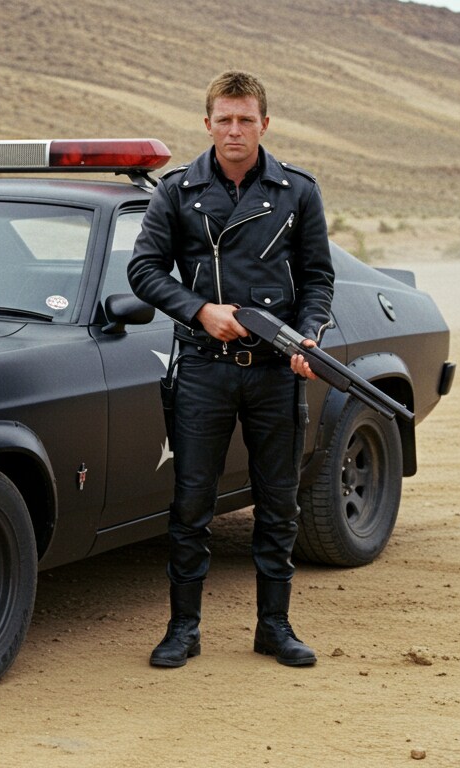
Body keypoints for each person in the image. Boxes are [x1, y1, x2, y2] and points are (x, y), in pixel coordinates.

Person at [127, 70, 333, 667]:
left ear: (265, 124)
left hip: (275, 370)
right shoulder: (176, 191)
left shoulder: (297, 191)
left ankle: (275, 627)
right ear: (208, 123)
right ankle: (183, 630)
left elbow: (318, 278)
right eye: (225, 119)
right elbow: (144, 270)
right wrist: (200, 310)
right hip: (203, 368)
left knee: (279, 502)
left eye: (246, 119)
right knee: (192, 502)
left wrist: (308, 336)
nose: (235, 130)